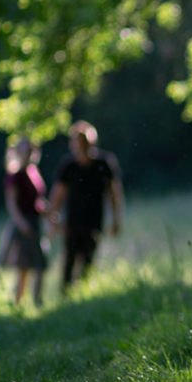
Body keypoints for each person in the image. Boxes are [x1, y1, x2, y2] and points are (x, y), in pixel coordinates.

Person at [46, 120, 124, 293]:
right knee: (69, 262)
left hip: (94, 221)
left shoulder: (104, 163)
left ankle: (84, 294)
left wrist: (116, 219)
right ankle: (66, 295)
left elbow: (114, 193)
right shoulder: (68, 166)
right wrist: (53, 219)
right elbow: (57, 195)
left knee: (88, 262)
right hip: (72, 223)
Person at [0, 137, 48, 306]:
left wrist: (48, 212)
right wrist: (22, 223)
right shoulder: (14, 176)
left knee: (40, 264)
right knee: (23, 268)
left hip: (35, 224)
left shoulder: (33, 172)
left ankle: (37, 301)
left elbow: (37, 201)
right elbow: (12, 205)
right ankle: (18, 303)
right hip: (23, 226)